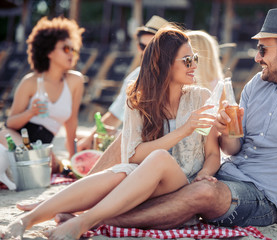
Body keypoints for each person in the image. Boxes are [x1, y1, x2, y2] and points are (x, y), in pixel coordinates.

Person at [15, 8, 277, 230]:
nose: (256, 57)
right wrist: (225, 132)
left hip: (264, 197)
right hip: (226, 173)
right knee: (134, 150)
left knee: (203, 196)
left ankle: (96, 218)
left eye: (263, 49)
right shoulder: (259, 84)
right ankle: (76, 200)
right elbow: (234, 148)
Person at [1, 26, 221, 239]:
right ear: (164, 64)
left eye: (195, 59)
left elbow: (212, 153)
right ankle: (26, 220)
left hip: (184, 181)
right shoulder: (138, 98)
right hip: (143, 179)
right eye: (187, 60)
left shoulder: (200, 97)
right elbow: (133, 155)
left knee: (158, 158)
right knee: (120, 172)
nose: (194, 65)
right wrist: (184, 130)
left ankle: (82, 222)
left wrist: (205, 174)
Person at [0, 16, 85, 173]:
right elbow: (11, 123)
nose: (71, 53)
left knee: (44, 164)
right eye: (66, 49)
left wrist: (75, 160)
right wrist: (31, 112)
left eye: (73, 49)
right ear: (48, 52)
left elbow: (71, 122)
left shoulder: (75, 81)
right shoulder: (30, 82)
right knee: (34, 161)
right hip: (17, 138)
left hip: (43, 147)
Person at [77, 15, 169, 151]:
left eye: (151, 47)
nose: (145, 52)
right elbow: (115, 115)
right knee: (80, 137)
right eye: (142, 46)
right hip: (140, 145)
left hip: (165, 145)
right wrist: (89, 138)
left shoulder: (176, 76)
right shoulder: (136, 76)